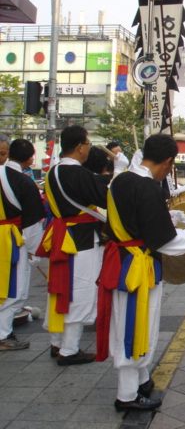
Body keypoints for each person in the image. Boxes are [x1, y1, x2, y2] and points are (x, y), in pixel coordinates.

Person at [95, 134, 185, 412]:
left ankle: (141, 381)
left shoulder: (119, 180)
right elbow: (164, 241)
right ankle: (127, 396)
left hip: (122, 261)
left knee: (130, 323)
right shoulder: (147, 187)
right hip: (138, 267)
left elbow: (138, 222)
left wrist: (171, 222)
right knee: (135, 326)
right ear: (168, 162)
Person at [36, 125, 121, 365]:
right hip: (79, 239)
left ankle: (57, 343)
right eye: (87, 144)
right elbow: (105, 196)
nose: (88, 148)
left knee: (60, 289)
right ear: (80, 146)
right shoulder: (78, 173)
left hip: (62, 237)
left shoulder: (53, 172)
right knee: (79, 292)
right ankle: (69, 350)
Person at [0, 139, 45, 351]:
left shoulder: (20, 180)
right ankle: (3, 334)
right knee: (13, 290)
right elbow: (33, 222)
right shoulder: (22, 182)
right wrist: (34, 252)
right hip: (10, 240)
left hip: (10, 236)